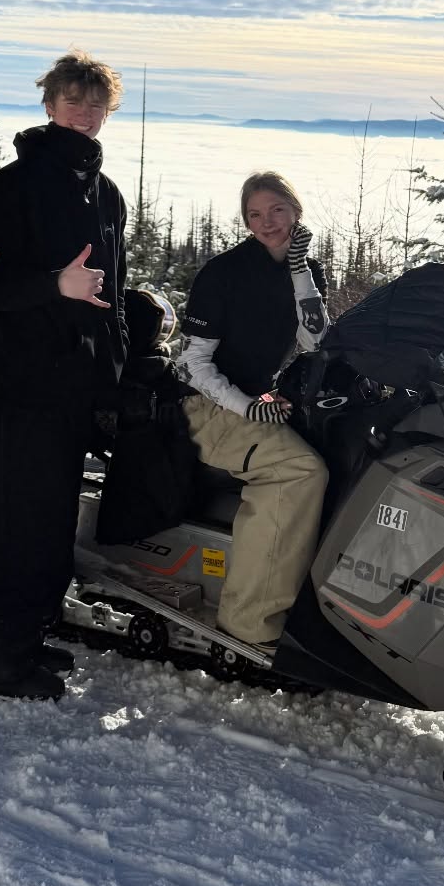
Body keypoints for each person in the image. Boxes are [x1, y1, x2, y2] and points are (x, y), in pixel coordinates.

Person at [0, 52, 128, 700]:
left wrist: (117, 376)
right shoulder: (16, 184)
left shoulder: (104, 192)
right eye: (73, 101)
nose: (85, 114)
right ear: (49, 105)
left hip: (79, 383)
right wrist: (55, 284)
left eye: (96, 104)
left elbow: (112, 292)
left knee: (52, 520)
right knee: (16, 519)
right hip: (27, 379)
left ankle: (19, 639)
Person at [176, 171, 329, 655]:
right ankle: (248, 624)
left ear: (296, 211)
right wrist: (246, 406)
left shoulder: (306, 269)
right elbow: (192, 363)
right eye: (255, 214)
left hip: (254, 399)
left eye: (277, 210)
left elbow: (315, 341)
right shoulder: (224, 273)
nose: (267, 223)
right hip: (200, 404)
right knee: (300, 472)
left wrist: (301, 272)